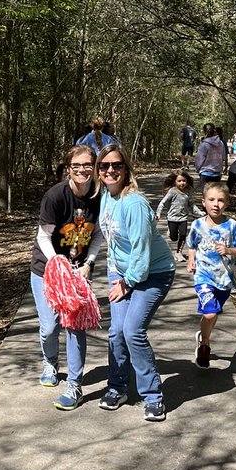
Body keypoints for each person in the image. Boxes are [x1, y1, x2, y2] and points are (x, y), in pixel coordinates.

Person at [96, 143, 175, 422]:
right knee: (116, 332)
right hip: (122, 273)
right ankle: (118, 387)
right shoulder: (106, 196)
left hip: (153, 273)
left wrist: (126, 283)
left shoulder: (134, 203)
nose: (110, 170)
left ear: (126, 169)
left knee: (132, 331)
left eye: (116, 165)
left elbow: (142, 254)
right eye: (104, 166)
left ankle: (152, 396)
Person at [30, 145, 103, 411]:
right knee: (50, 327)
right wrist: (58, 263)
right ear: (68, 169)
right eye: (77, 166)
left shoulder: (99, 195)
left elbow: (97, 235)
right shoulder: (55, 196)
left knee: (75, 327)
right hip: (47, 269)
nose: (83, 170)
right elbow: (43, 236)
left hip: (79, 270)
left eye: (88, 165)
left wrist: (89, 264)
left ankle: (75, 385)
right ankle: (50, 362)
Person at [187, 181, 236, 369]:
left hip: (224, 279)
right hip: (204, 276)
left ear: (227, 203)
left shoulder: (233, 227)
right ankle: (205, 345)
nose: (216, 204)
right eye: (211, 200)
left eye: (221, 200)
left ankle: (203, 338)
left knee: (212, 315)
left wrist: (229, 250)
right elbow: (192, 245)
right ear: (203, 202)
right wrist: (191, 260)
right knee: (210, 313)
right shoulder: (197, 225)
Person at [156, 170, 203, 261]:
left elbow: (191, 205)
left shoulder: (187, 193)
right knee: (174, 238)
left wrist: (199, 212)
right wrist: (158, 213)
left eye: (184, 181)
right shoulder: (172, 191)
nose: (182, 183)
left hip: (183, 218)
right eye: (179, 181)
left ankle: (178, 253)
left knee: (182, 235)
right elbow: (163, 203)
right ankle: (171, 231)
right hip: (172, 218)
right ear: (175, 182)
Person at [194, 122, 226, 190]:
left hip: (205, 173)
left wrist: (198, 169)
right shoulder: (221, 143)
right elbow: (223, 157)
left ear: (205, 131)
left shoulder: (204, 144)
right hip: (217, 173)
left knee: (206, 195)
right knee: (214, 194)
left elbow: (199, 159)